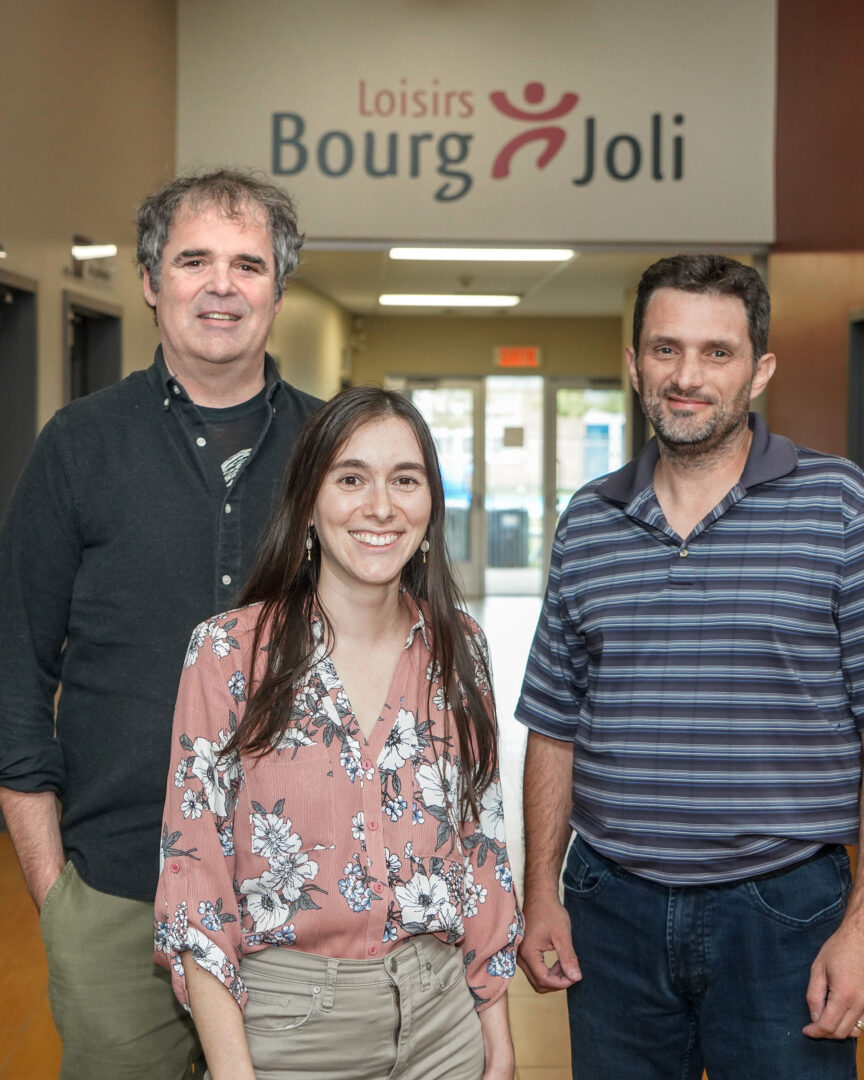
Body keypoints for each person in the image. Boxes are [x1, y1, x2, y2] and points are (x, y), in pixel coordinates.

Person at [0, 169, 321, 1079]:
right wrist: (54, 891)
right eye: (194, 260)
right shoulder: (77, 446)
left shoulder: (334, 452)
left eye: (248, 264)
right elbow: (12, 670)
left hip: (297, 909)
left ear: (277, 289)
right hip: (114, 902)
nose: (222, 285)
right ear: (150, 281)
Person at [516, 253, 864, 1079]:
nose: (687, 376)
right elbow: (554, 725)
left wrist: (862, 927)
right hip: (612, 911)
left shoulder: (839, 507)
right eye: (666, 349)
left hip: (785, 913)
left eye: (717, 352)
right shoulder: (589, 521)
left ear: (759, 370)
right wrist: (540, 892)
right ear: (635, 364)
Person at [154, 386, 522, 1080]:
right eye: (351, 479)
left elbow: (481, 852)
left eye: (404, 481)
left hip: (443, 1023)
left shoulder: (460, 650)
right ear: (310, 504)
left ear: (430, 506)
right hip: (288, 1028)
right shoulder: (228, 655)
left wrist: (496, 1037)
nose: (380, 506)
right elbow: (194, 883)